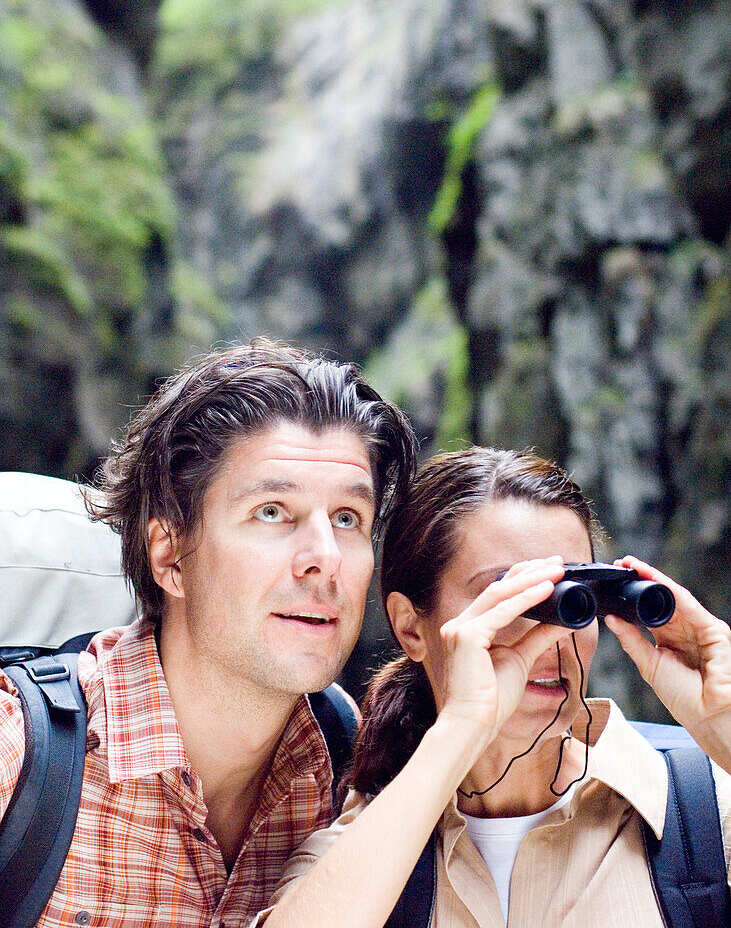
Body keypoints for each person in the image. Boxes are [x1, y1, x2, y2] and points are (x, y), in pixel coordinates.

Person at [0, 339, 417, 927]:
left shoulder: (359, 764)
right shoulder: (21, 752)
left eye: (348, 519)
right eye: (272, 512)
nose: (325, 558)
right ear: (170, 556)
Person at [260, 446, 731, 928]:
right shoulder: (355, 851)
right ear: (410, 628)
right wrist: (465, 724)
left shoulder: (705, 818)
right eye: (511, 597)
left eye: (574, 598)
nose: (551, 634)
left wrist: (725, 728)